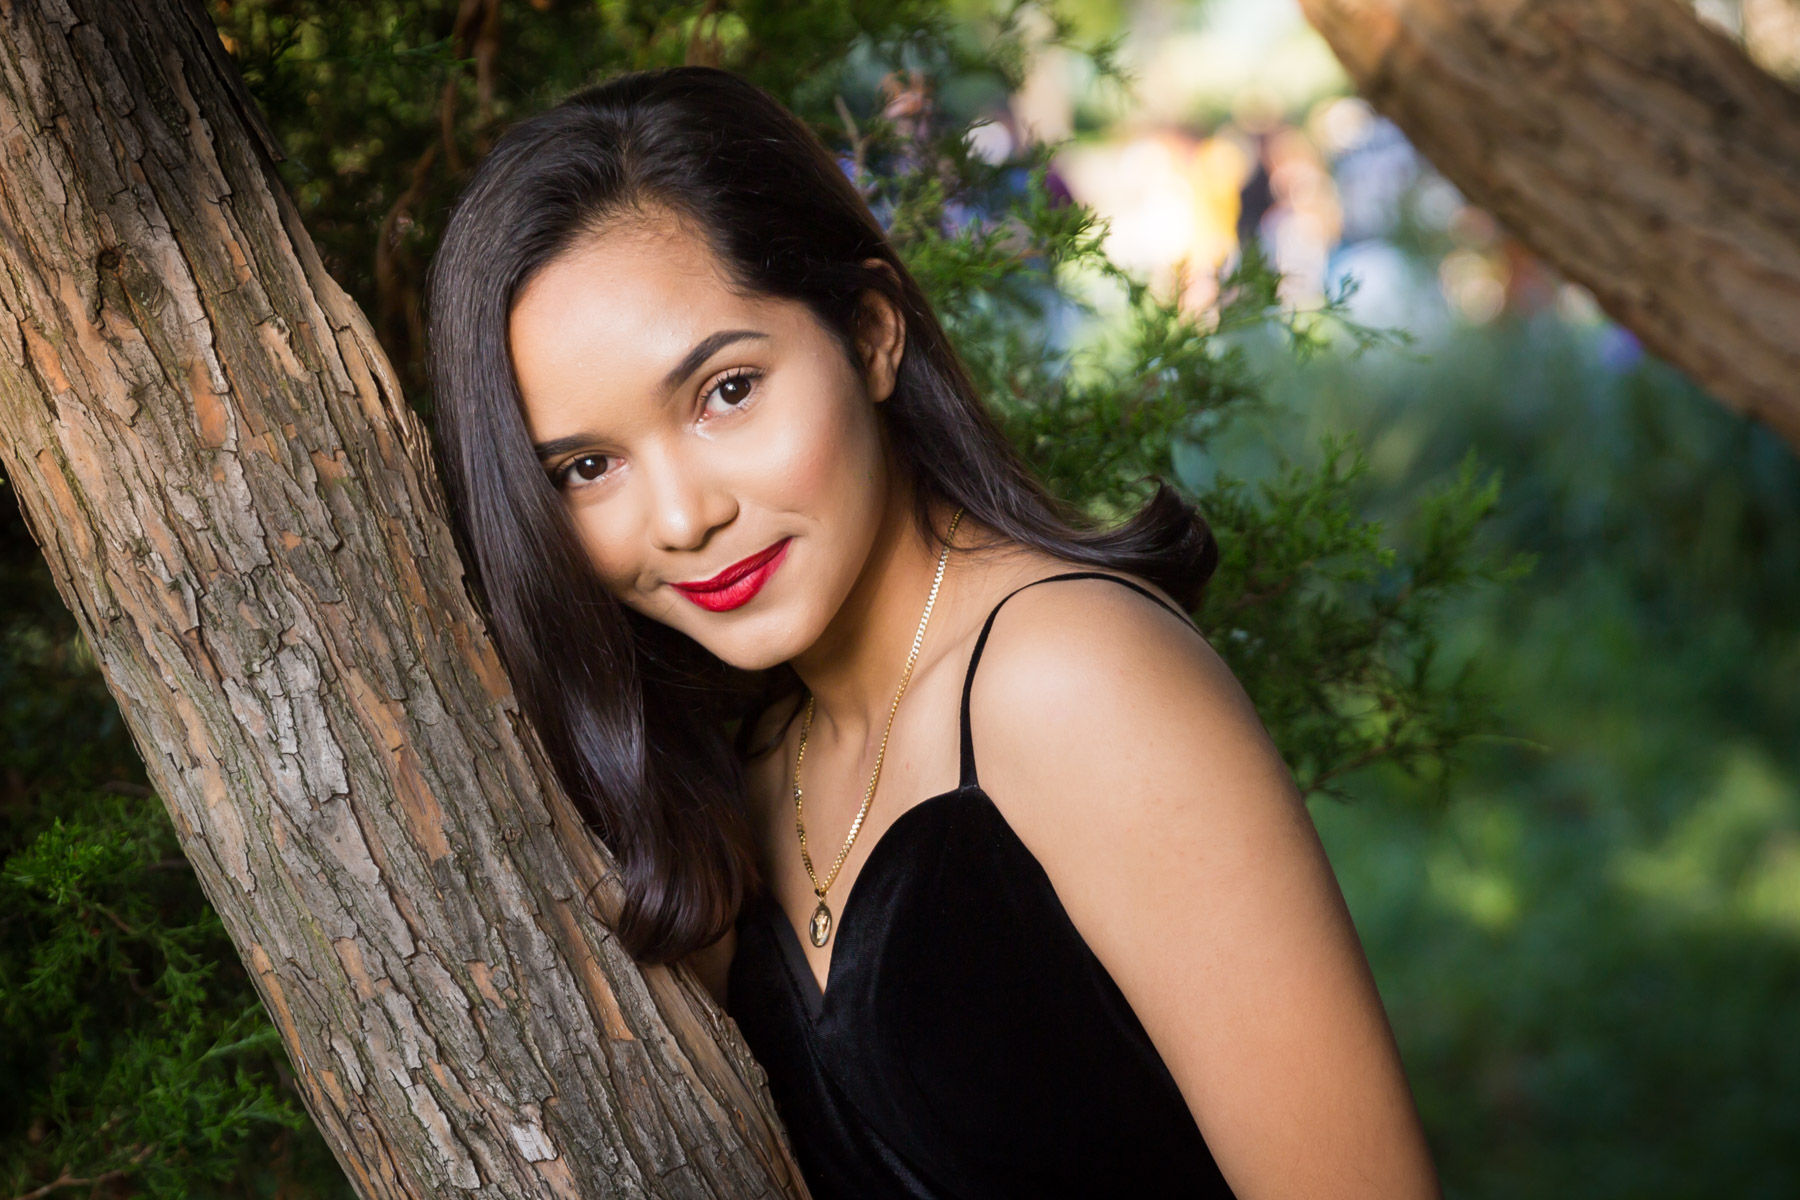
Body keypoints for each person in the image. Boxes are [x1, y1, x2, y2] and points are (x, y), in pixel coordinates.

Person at [424, 64, 1440, 1200]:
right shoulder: (758, 776)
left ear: (869, 335)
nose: (681, 517)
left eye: (726, 391)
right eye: (588, 467)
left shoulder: (1077, 681)